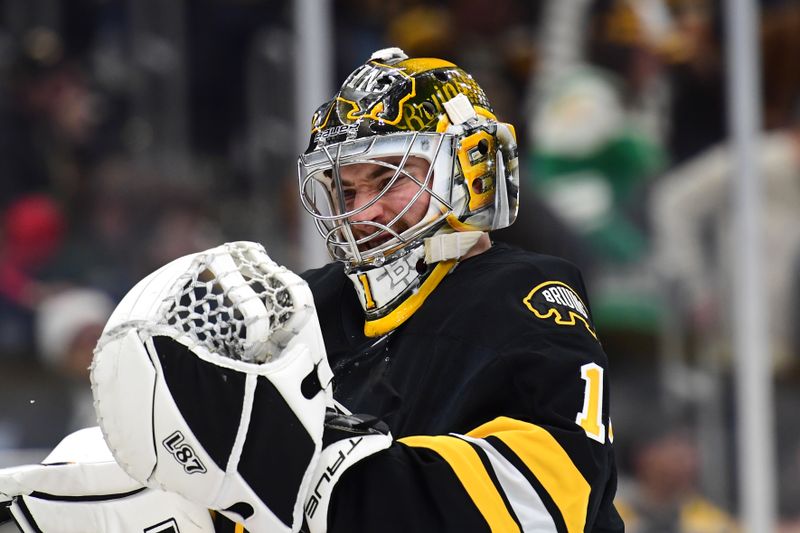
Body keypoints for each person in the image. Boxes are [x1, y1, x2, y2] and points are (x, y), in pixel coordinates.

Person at [1, 48, 623, 533]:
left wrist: (310, 467)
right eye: (347, 189)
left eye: (387, 177)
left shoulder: (526, 296)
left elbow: (542, 507)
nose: (362, 210)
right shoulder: (305, 303)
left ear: (473, 169)